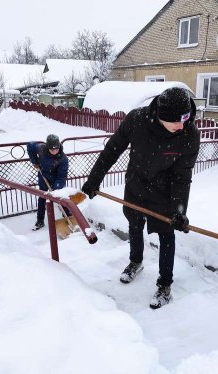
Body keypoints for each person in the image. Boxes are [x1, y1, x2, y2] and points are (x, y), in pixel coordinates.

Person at [81, 87, 200, 309]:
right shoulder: (137, 120)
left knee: (167, 236)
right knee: (134, 227)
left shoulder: (189, 135)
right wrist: (94, 180)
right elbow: (112, 150)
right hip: (135, 187)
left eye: (186, 118)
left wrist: (179, 211)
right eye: (176, 121)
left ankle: (165, 284)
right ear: (160, 116)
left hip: (164, 195)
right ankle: (135, 262)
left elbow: (182, 178)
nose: (182, 125)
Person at [27, 134, 69, 230]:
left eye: (56, 149)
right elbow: (30, 145)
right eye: (52, 149)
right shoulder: (41, 148)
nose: (54, 151)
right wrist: (35, 161)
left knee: (60, 197)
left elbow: (61, 177)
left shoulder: (63, 159)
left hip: (56, 179)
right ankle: (40, 220)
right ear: (47, 147)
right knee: (42, 198)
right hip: (43, 177)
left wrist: (55, 189)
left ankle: (68, 215)